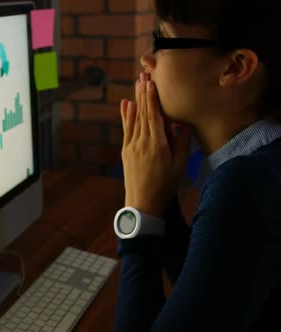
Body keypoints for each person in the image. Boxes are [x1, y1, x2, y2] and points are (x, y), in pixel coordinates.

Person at [115, 0, 281, 331]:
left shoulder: (244, 186)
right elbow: (206, 297)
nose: (146, 59)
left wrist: (139, 214)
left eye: (161, 41)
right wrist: (160, 196)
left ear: (235, 67)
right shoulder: (261, 163)